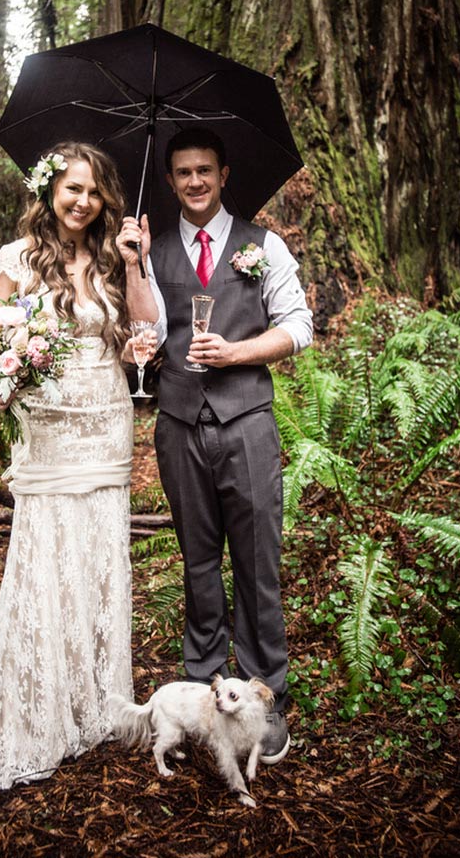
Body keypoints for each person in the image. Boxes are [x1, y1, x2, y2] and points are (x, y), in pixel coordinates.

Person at [0, 141, 153, 788]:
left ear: (106, 199)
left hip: (107, 424)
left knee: (98, 553)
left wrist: (136, 266)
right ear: (49, 190)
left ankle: (92, 698)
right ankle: (37, 703)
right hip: (47, 433)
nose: (82, 201)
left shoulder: (112, 257)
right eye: (72, 188)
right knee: (47, 555)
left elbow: (146, 334)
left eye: (94, 191)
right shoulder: (14, 260)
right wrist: (11, 366)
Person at [119, 127, 313, 766]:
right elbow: (147, 327)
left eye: (205, 170)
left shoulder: (264, 245)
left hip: (248, 424)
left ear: (224, 174)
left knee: (258, 561)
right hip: (177, 424)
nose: (194, 181)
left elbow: (298, 327)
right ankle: (205, 684)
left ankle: (264, 698)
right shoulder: (155, 248)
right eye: (182, 173)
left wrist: (238, 352)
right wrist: (133, 264)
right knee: (198, 560)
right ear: (170, 180)